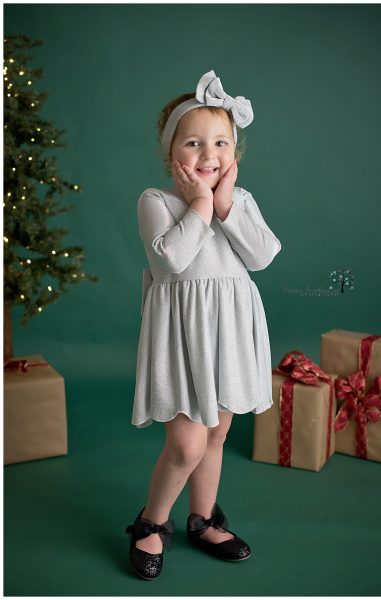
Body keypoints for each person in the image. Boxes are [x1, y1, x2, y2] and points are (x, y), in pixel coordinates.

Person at [125, 70, 282, 580]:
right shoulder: (158, 201)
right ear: (172, 151)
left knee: (214, 436)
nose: (208, 154)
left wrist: (224, 204)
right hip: (183, 337)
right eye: (194, 143)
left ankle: (203, 519)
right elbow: (171, 261)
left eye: (221, 143)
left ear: (235, 153)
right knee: (187, 443)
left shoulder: (240, 203)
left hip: (229, 333)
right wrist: (197, 203)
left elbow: (261, 256)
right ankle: (152, 521)